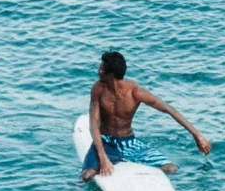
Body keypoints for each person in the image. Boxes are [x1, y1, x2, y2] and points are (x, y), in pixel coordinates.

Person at [83, 49, 211, 180]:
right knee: (87, 175)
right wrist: (103, 157)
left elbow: (168, 109)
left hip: (129, 143)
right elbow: (94, 124)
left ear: (110, 75)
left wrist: (197, 135)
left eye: (101, 69)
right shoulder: (98, 89)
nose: (99, 71)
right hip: (106, 142)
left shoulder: (135, 92)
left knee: (171, 168)